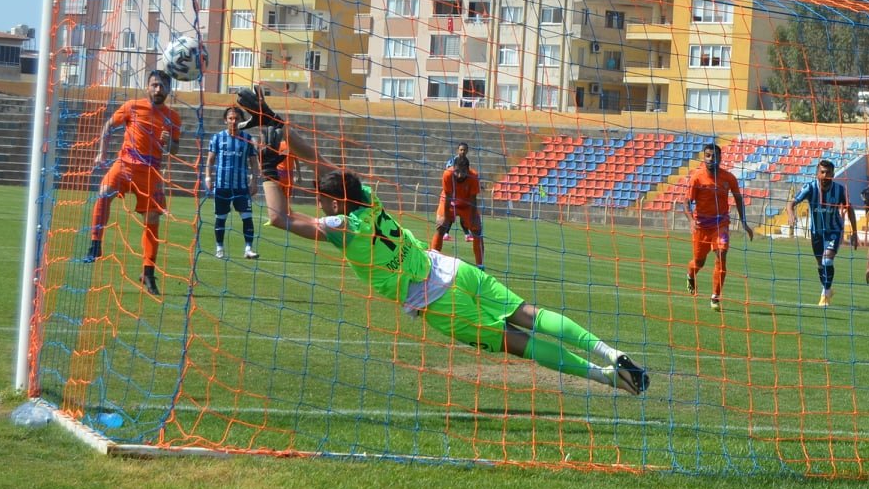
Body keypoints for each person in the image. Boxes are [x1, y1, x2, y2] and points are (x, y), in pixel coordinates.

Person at [235, 88, 646, 394]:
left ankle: (608, 378)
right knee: (528, 313)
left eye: (319, 195)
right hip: (450, 268)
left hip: (437, 300)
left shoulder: (344, 229)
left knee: (518, 343)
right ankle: (611, 353)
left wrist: (269, 164)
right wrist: (275, 125)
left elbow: (280, 217)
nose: (315, 194)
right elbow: (320, 161)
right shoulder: (369, 199)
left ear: (331, 200)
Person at [82, 69, 182, 297]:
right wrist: (102, 153)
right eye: (155, 85)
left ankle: (148, 271)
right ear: (147, 86)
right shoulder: (132, 106)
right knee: (104, 192)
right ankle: (95, 244)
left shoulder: (173, 117)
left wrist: (168, 144)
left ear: (168, 89)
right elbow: (108, 125)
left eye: (163, 86)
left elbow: (175, 148)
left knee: (153, 218)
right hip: (125, 164)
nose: (158, 89)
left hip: (150, 171)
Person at [685, 142, 754, 312]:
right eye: (708, 155)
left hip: (720, 224)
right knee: (699, 262)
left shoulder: (729, 178)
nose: (711, 159)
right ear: (704, 157)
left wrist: (743, 221)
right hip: (701, 226)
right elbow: (686, 202)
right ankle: (690, 274)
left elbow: (738, 198)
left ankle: (715, 297)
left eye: (714, 156)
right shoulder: (697, 178)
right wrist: (691, 220)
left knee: (721, 253)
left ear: (720, 158)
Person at [790, 159, 859, 307]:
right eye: (822, 172)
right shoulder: (810, 188)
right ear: (817, 174)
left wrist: (854, 232)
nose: (825, 175)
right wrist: (791, 214)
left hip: (834, 230)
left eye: (828, 172)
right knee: (821, 265)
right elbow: (792, 203)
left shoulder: (840, 190)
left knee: (827, 260)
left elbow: (850, 209)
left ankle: (825, 294)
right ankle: (827, 289)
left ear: (833, 174)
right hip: (816, 233)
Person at [197, 105, 259, 260]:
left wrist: (254, 181)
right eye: (230, 118)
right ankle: (219, 248)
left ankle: (248, 249)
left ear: (241, 121)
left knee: (247, 217)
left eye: (236, 119)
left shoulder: (248, 139)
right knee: (221, 218)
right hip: (222, 186)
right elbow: (210, 160)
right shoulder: (217, 138)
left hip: (241, 187)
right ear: (225, 120)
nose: (233, 121)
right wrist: (208, 178)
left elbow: (253, 163)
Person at [433, 145, 485, 268]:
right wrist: (445, 217)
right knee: (441, 227)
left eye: (463, 172)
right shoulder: (447, 174)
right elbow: (448, 197)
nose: (460, 175)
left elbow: (473, 199)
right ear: (453, 168)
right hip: (449, 202)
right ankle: (433, 261)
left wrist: (472, 219)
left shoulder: (473, 176)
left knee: (477, 230)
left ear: (468, 170)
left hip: (467, 204)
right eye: (457, 171)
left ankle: (480, 266)